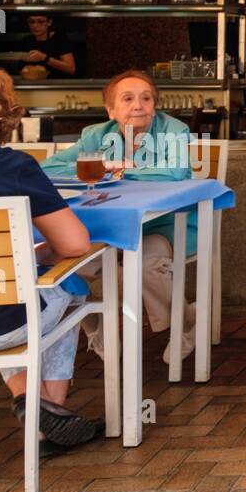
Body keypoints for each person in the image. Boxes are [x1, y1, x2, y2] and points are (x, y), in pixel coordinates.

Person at [0, 66, 101, 452]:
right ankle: (44, 419)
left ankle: (31, 402)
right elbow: (74, 244)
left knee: (2, 282)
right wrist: (33, 255)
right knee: (65, 286)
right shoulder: (10, 165)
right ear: (2, 111)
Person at [41, 70, 197, 362]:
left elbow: (176, 171)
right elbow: (48, 168)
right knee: (62, 261)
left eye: (146, 98)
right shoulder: (95, 135)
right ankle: (95, 328)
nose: (138, 105)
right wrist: (104, 164)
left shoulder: (173, 130)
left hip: (166, 224)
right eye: (127, 99)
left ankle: (187, 325)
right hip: (106, 226)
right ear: (110, 110)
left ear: (155, 105)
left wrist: (125, 169)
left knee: (143, 264)